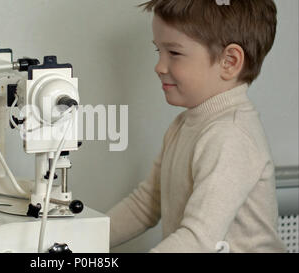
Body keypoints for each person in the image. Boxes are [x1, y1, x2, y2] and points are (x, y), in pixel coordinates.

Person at [106, 0, 286, 252]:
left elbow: (198, 239)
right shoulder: (183, 125)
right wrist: (80, 239)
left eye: (174, 53)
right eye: (159, 51)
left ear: (230, 61)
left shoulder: (230, 136)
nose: (159, 67)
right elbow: (145, 205)